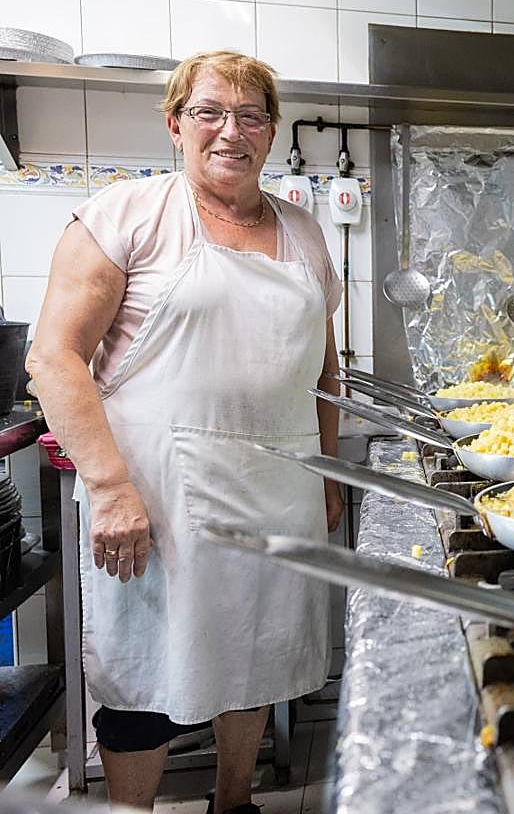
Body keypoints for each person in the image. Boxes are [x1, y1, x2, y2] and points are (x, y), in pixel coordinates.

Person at [25, 51, 344, 813]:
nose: (230, 130)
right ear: (175, 125)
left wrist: (327, 476)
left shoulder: (302, 232)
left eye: (251, 115)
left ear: (270, 133)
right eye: (210, 112)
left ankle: (232, 802)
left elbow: (326, 371)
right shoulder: (126, 216)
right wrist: (108, 487)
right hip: (157, 498)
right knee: (146, 671)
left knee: (258, 652)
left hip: (277, 491)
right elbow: (54, 356)